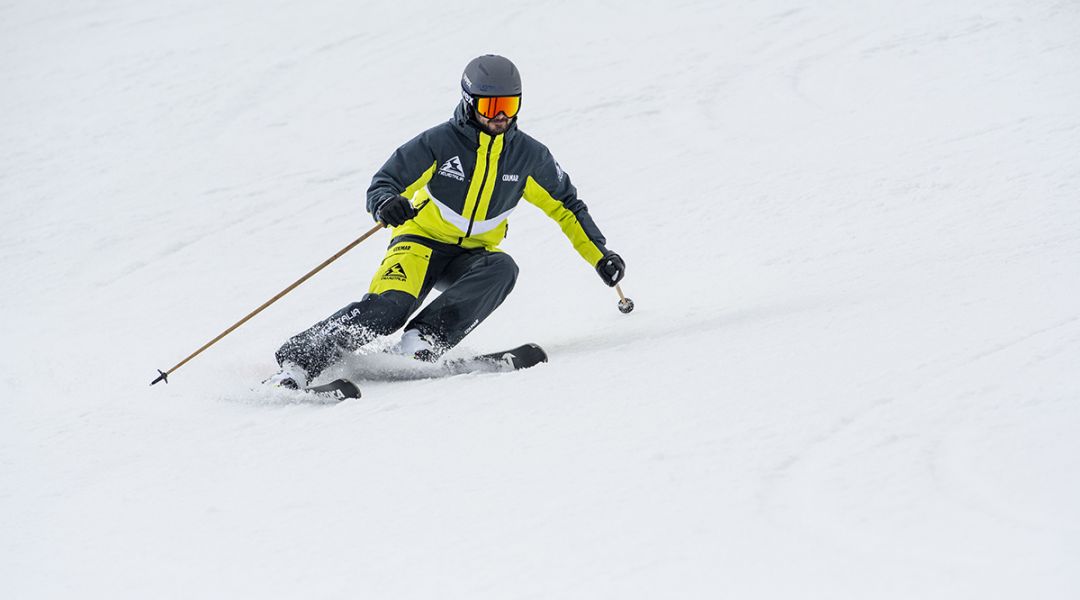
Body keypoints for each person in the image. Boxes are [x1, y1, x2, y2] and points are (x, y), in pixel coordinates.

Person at [266, 54, 626, 388]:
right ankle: (299, 361)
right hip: (419, 243)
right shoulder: (440, 142)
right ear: (470, 102)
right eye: (491, 106)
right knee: (389, 308)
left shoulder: (528, 157)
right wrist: (387, 203)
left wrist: (601, 255)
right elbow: (384, 182)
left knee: (502, 268)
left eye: (510, 105)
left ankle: (423, 341)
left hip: (473, 255)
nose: (501, 115)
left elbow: (566, 205)